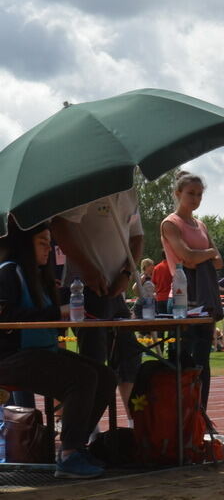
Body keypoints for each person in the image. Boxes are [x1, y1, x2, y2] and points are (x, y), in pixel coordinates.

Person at [0, 219, 116, 479]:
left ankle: (77, 445)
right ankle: (69, 455)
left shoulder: (41, 279)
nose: (48, 249)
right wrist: (56, 312)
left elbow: (50, 319)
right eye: (41, 243)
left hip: (41, 352)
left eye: (49, 244)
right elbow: (5, 317)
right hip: (10, 357)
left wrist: (65, 316)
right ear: (23, 246)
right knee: (82, 378)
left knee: (106, 376)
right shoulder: (7, 272)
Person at [51, 188, 143, 428]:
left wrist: (126, 273)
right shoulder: (86, 189)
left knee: (130, 356)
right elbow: (60, 226)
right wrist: (89, 270)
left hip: (116, 291)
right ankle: (84, 431)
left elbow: (137, 237)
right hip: (86, 291)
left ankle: (135, 423)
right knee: (92, 362)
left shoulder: (130, 192)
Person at [160, 171, 224, 410]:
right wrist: (204, 254)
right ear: (178, 194)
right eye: (190, 194)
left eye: (199, 194)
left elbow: (219, 261)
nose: (195, 198)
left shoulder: (201, 224)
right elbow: (185, 256)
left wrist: (200, 257)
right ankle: (179, 417)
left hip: (205, 299)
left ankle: (200, 416)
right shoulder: (170, 223)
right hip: (181, 301)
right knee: (181, 361)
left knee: (202, 363)